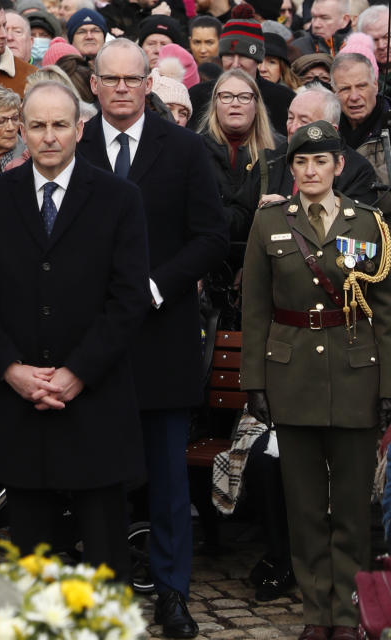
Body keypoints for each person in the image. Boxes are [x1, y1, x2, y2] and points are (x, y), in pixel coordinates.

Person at [0, 78, 150, 583]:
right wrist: (12, 370)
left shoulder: (119, 198)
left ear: (79, 129)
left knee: (106, 555)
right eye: (38, 126)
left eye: (59, 125)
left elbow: (128, 299)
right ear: (21, 130)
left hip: (95, 397)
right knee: (32, 558)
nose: (48, 137)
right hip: (20, 402)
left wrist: (77, 372)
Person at [77, 38, 229, 639]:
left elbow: (211, 237)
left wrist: (155, 288)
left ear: (148, 84)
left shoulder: (187, 150)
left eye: (130, 79)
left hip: (163, 338)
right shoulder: (75, 146)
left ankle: (171, 594)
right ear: (94, 84)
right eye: (109, 79)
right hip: (93, 344)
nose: (120, 88)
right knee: (98, 480)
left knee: (168, 483)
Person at [241, 120, 391, 640]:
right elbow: (255, 309)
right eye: (301, 162)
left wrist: (389, 386)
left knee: (351, 508)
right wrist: (254, 380)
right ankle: (314, 614)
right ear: (293, 168)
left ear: (338, 167)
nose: (309, 170)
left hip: (356, 376)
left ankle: (346, 616)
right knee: (304, 507)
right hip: (292, 376)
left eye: (320, 162)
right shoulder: (271, 223)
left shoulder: (369, 223)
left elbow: (385, 312)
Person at [227, 86, 379, 242]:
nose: (293, 128)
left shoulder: (358, 171)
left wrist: (288, 211)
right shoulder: (271, 161)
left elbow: (355, 232)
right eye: (291, 118)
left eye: (304, 121)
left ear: (331, 130)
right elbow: (240, 218)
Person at [188, 9, 295, 135]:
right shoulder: (198, 95)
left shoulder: (282, 99)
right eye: (229, 55)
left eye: (243, 56)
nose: (235, 64)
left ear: (258, 59)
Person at [199, 69, 280, 206]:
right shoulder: (196, 148)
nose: (235, 103)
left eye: (244, 97)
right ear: (215, 104)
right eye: (226, 96)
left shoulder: (279, 150)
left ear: (256, 105)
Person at [332, 52, 391, 195]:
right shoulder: (328, 128)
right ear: (334, 92)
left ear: (376, 85)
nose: (354, 97)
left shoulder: (388, 123)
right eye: (345, 89)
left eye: (361, 86)